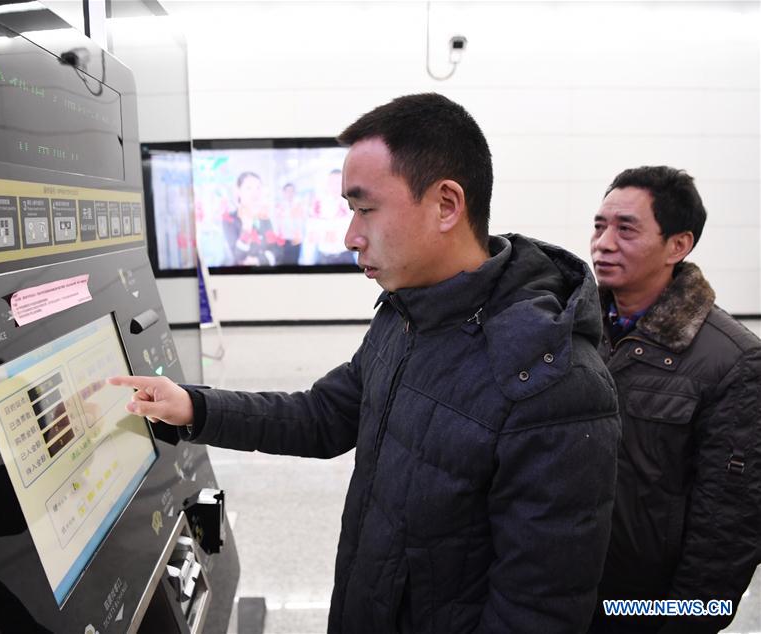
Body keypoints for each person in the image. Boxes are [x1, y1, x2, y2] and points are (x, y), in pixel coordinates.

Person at [110, 93, 621, 633]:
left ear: (447, 205)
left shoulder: (553, 382)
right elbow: (325, 415)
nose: (350, 237)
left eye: (365, 208)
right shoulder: (409, 312)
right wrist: (192, 406)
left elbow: (537, 613)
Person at [587, 166, 761, 633]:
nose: (603, 243)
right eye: (599, 226)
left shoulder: (734, 361)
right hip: (562, 592)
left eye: (626, 229)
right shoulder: (574, 334)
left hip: (639, 610)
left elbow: (727, 530)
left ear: (678, 245)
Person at [221, 171, 283, 266]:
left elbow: (277, 250)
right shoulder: (229, 219)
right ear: (238, 191)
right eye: (249, 188)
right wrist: (247, 227)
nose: (255, 193)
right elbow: (238, 257)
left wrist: (259, 260)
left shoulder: (264, 218)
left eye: (258, 188)